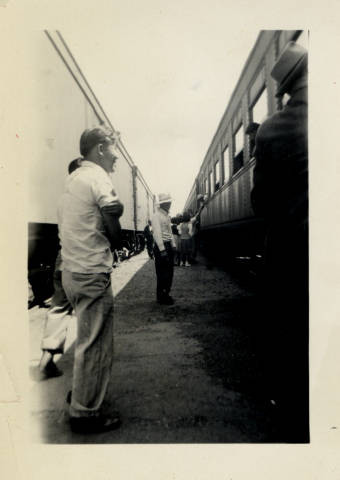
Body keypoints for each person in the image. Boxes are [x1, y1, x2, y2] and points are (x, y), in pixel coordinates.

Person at [251, 42, 308, 441]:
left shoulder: (273, 127)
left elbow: (261, 201)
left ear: (285, 87)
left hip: (292, 248)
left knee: (289, 331)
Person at [58, 126, 124, 433]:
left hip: (71, 271)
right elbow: (112, 217)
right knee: (95, 345)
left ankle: (81, 395)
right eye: (113, 150)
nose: (116, 159)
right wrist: (116, 229)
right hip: (92, 272)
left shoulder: (72, 178)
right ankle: (85, 414)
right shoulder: (98, 177)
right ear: (99, 148)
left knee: (85, 340)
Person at [38, 158, 82, 380]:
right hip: (79, 260)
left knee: (58, 309)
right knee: (91, 313)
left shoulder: (63, 198)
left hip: (62, 259)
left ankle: (46, 359)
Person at [151, 193, 176, 305]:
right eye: (168, 203)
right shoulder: (156, 216)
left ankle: (166, 294)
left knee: (169, 272)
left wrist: (173, 245)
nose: (170, 204)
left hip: (168, 246)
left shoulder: (166, 216)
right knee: (162, 273)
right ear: (163, 204)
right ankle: (161, 297)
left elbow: (170, 232)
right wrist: (162, 250)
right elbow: (157, 234)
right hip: (162, 247)